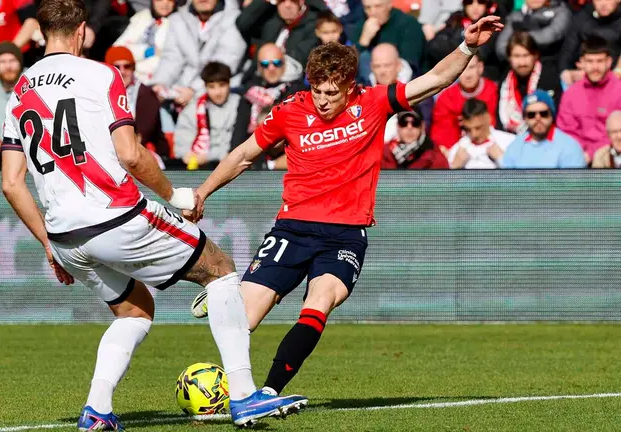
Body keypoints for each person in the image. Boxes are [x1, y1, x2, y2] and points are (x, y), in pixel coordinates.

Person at [0, 1, 307, 430]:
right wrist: (176, 195)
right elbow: (129, 153)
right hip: (114, 217)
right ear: (83, 32)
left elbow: (12, 183)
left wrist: (49, 246)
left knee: (135, 311)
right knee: (219, 269)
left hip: (65, 236)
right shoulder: (100, 73)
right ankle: (243, 395)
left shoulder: (20, 88)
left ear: (40, 31)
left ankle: (97, 411)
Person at [188, 17, 503, 397]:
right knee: (245, 319)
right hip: (292, 229)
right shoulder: (290, 110)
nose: (322, 100)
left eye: (331, 93)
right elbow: (243, 155)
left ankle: (267, 394)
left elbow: (435, 78)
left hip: (345, 235)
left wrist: (468, 46)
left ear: (350, 86)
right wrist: (203, 192)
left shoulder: (372, 102)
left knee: (319, 303)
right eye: (317, 90)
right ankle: (229, 315)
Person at [557, 36, 621, 163]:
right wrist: (579, 153)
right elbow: (566, 131)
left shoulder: (618, 90)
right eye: (590, 61)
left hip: (610, 156)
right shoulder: (571, 93)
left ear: (609, 62)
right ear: (582, 62)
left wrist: (592, 153)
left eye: (599, 61)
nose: (595, 67)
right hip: (577, 155)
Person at [175, 62, 240, 170]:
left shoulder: (239, 105)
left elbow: (235, 146)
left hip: (230, 167)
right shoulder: (194, 108)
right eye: (212, 87)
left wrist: (209, 156)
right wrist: (188, 155)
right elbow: (182, 145)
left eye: (222, 85)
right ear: (205, 86)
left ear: (229, 83)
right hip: (197, 167)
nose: (217, 92)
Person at [498, 31, 562, 134]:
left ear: (535, 55)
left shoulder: (549, 77)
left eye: (526, 55)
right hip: (509, 136)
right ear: (509, 58)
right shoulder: (505, 79)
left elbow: (554, 115)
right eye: (517, 56)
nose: (522, 62)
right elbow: (498, 119)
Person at [502, 90, 585, 168]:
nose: (538, 118)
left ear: (552, 115)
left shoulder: (569, 146)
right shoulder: (515, 147)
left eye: (543, 114)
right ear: (525, 118)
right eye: (531, 115)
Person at [447, 98, 515, 169]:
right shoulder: (457, 151)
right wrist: (455, 167)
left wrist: (501, 160)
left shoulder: (510, 142)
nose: (474, 134)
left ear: (488, 118)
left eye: (478, 128)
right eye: (468, 129)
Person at [382, 110, 449, 169]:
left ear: (422, 126)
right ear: (397, 126)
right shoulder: (383, 154)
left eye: (415, 123)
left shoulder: (435, 158)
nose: (409, 127)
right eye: (404, 123)